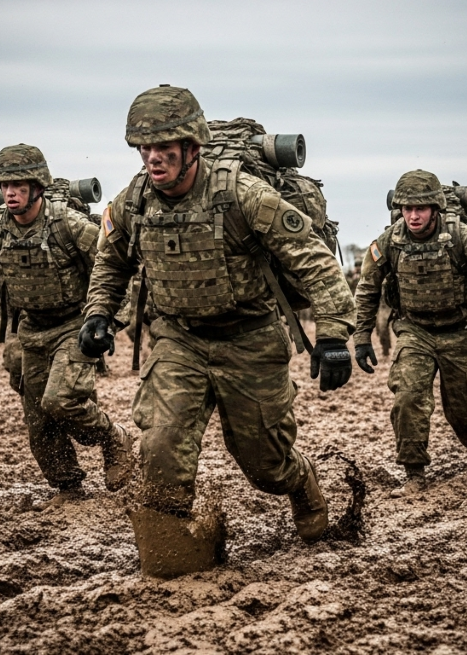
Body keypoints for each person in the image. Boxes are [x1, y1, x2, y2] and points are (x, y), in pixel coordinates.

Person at [80, 86, 356, 551]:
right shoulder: (133, 201)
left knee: (265, 465)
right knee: (161, 450)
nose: (153, 160)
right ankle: (175, 555)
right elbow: (112, 260)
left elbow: (311, 258)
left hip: (249, 339)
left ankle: (301, 482)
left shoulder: (243, 194)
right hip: (176, 340)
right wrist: (100, 313)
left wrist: (332, 335)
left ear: (193, 148)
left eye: (164, 150)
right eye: (145, 150)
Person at [0, 144, 134, 495]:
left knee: (60, 402)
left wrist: (109, 322)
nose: (10, 193)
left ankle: (113, 437)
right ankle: (68, 489)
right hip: (31, 329)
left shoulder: (70, 224)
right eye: (4, 186)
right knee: (39, 422)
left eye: (18, 185)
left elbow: (115, 269)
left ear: (38, 186)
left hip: (75, 325)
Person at [353, 170, 467, 496]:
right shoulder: (389, 242)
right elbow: (367, 290)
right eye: (407, 208)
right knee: (408, 399)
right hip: (414, 332)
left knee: (465, 412)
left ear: (436, 208)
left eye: (421, 209)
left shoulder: (463, 238)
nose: (413, 216)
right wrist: (361, 337)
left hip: (461, 333)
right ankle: (414, 473)